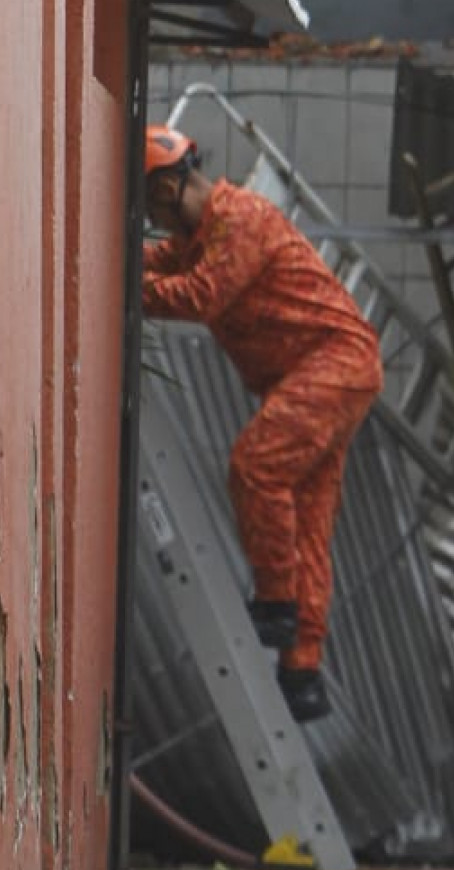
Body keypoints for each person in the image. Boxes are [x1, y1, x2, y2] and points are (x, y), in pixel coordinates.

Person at [141, 123, 384, 721]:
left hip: (333, 361)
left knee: (257, 467)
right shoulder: (197, 236)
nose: (152, 221)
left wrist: (122, 285)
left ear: (168, 189)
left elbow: (199, 296)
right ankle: (302, 671)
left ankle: (276, 603)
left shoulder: (239, 220)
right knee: (309, 519)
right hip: (322, 369)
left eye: (147, 205)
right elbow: (155, 260)